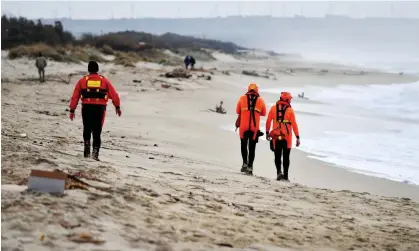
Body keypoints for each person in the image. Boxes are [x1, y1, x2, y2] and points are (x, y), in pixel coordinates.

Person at [68, 61, 121, 161]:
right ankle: (95, 153)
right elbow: (114, 95)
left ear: (88, 70)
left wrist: (72, 110)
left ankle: (86, 147)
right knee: (97, 131)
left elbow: (75, 96)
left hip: (86, 108)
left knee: (87, 128)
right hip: (99, 109)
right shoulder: (104, 81)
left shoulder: (82, 81)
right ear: (97, 69)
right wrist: (117, 107)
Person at [266, 92, 300, 181]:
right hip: (287, 137)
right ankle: (286, 176)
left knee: (277, 156)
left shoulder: (273, 108)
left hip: (276, 136)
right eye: (290, 100)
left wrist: (267, 132)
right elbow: (294, 125)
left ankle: (278, 173)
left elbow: (268, 121)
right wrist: (297, 137)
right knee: (286, 157)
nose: (291, 101)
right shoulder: (290, 110)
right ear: (287, 100)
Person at [235, 83, 267, 175]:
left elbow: (237, 111)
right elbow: (264, 113)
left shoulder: (242, 98)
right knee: (252, 148)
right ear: (257, 91)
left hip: (243, 126)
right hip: (254, 128)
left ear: (248, 90)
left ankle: (244, 163)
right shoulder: (260, 100)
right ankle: (250, 167)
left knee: (243, 145)